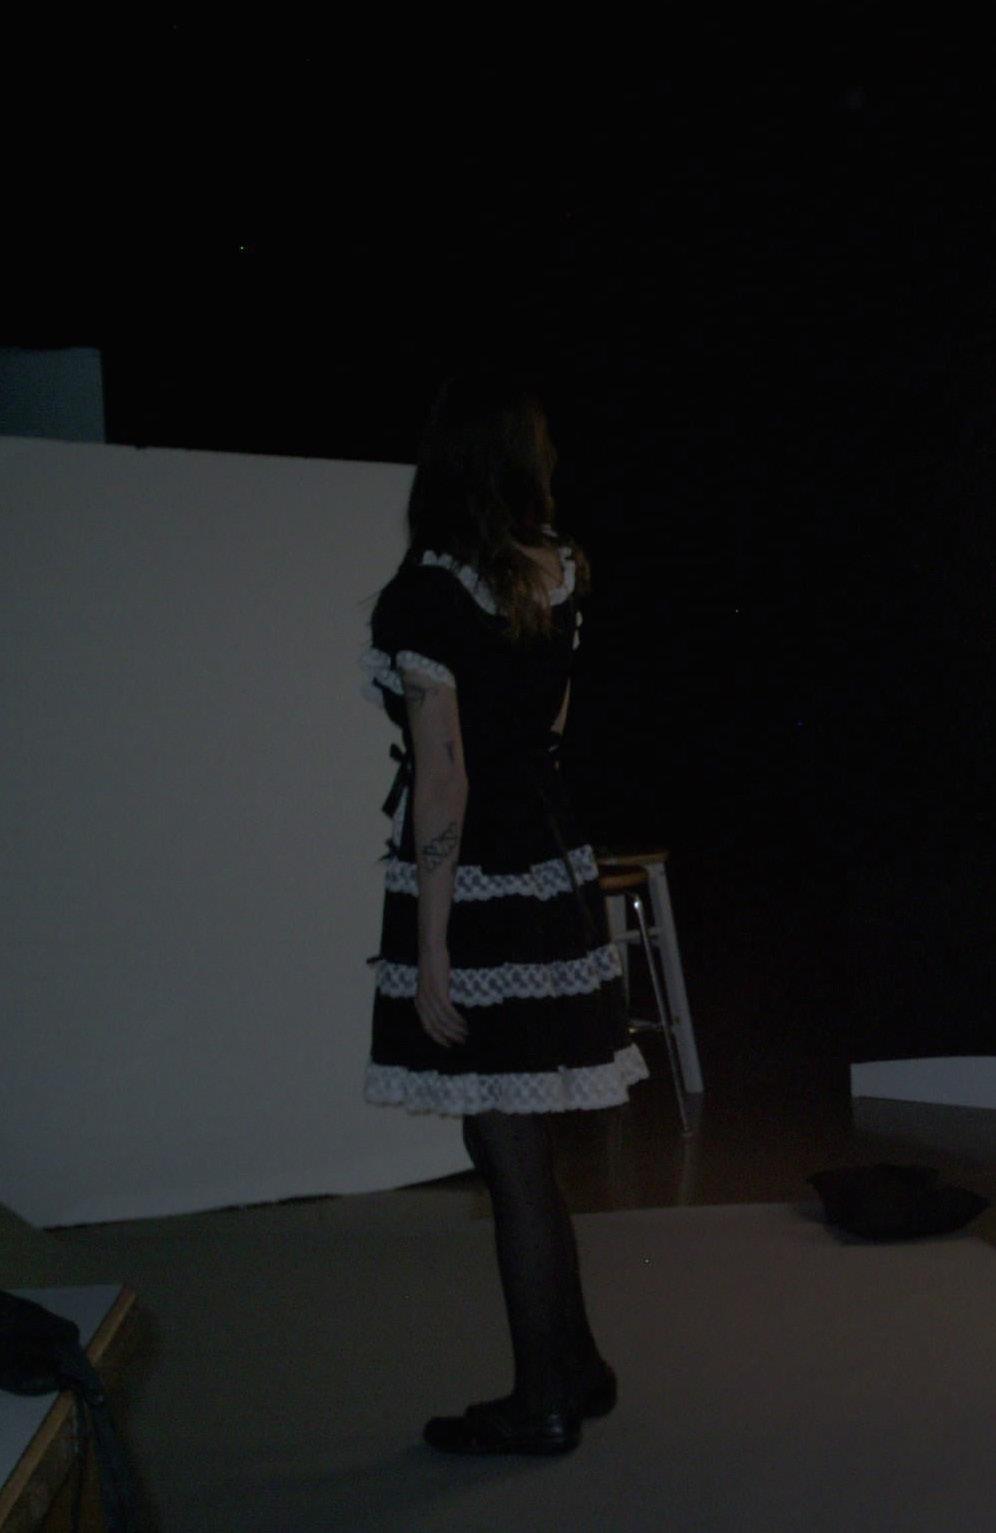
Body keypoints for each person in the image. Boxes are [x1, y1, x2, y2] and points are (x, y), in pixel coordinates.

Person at [358, 368, 650, 1455]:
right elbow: (551, 729)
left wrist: (432, 950)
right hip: (551, 862)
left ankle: (543, 1401)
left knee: (507, 1149)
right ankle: (579, 1365)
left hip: (479, 880)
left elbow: (444, 778)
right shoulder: (557, 569)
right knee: (524, 1147)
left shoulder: (427, 595)